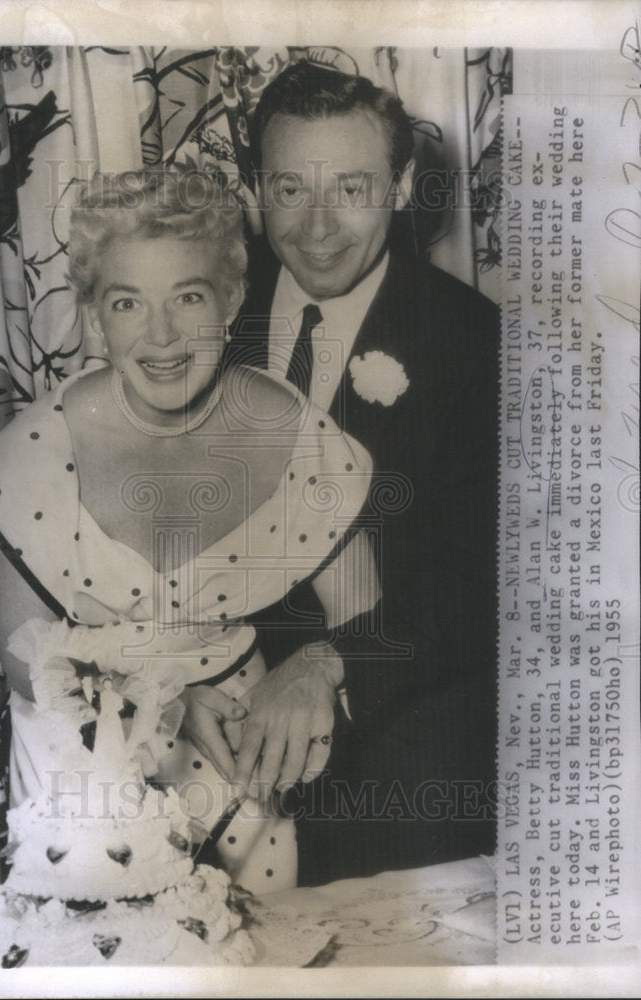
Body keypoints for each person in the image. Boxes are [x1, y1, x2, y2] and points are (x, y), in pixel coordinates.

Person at [0, 165, 376, 896]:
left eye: (188, 296)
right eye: (127, 303)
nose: (161, 336)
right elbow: (26, 666)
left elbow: (367, 626)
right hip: (83, 754)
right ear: (95, 318)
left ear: (232, 299)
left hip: (244, 749)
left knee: (265, 936)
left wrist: (314, 669)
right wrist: (162, 704)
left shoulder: (296, 434)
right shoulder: (28, 457)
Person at [220, 61, 500, 886]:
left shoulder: (475, 344)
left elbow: (481, 587)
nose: (317, 226)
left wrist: (327, 663)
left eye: (351, 188)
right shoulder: (202, 313)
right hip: (213, 726)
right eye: (289, 189)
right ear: (255, 189)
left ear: (402, 185)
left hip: (399, 734)